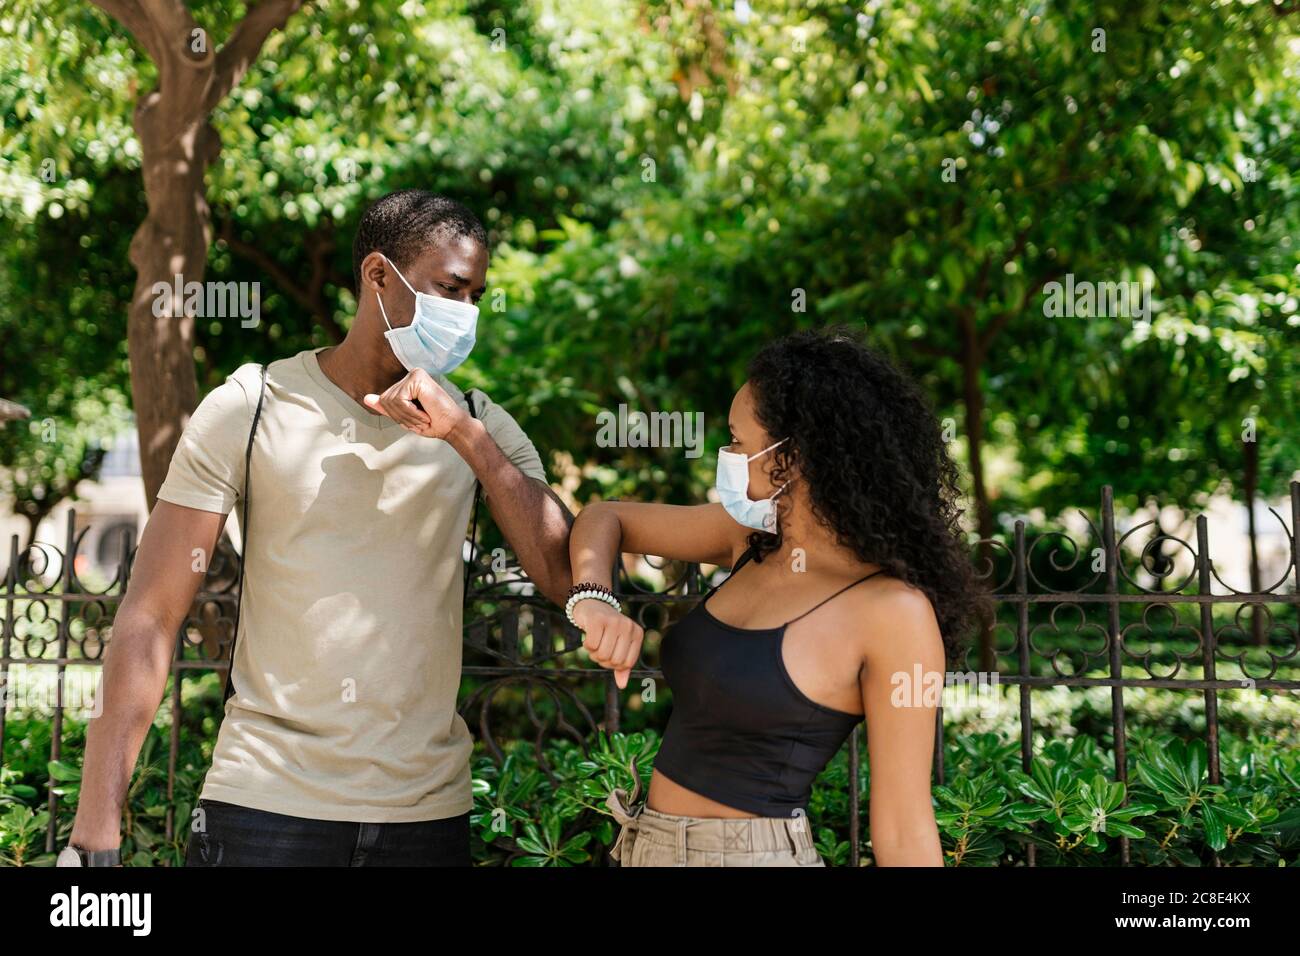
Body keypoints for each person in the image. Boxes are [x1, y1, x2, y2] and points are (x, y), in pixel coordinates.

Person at [60, 190, 573, 868]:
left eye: (477, 296)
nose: (467, 316)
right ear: (379, 276)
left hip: (426, 819)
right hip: (265, 809)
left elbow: (567, 576)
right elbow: (151, 616)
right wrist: (95, 832)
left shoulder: (480, 424)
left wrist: (465, 439)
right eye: (451, 290)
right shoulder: (252, 404)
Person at [567, 327, 990, 867]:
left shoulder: (894, 613)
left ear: (790, 456)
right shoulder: (752, 542)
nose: (728, 456)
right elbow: (605, 517)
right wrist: (594, 599)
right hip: (644, 845)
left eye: (738, 442)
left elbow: (906, 831)